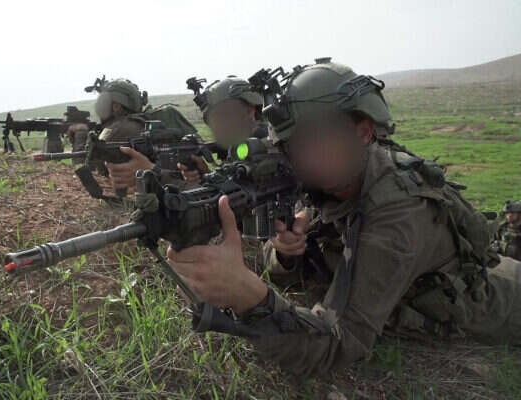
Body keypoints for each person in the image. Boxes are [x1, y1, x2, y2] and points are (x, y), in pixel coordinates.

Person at [166, 58, 521, 377]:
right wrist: (287, 252)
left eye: (318, 139)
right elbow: (288, 270)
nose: (305, 157)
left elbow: (336, 344)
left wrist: (248, 296)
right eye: (294, 145)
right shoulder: (329, 178)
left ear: (363, 131)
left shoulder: (397, 210)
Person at [180, 76, 268, 184]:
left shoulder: (273, 149)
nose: (216, 127)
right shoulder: (234, 152)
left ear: (250, 112)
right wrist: (205, 175)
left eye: (222, 116)